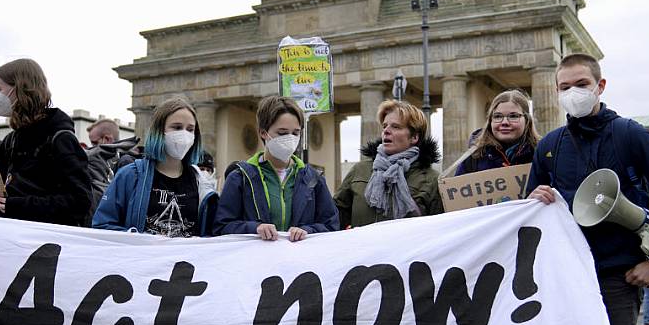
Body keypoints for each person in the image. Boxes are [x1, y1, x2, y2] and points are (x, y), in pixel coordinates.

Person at [528, 53, 649, 325]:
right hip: (568, 279)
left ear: (600, 86)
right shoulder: (550, 147)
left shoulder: (630, 135)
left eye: (581, 84)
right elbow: (529, 213)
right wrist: (533, 198)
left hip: (619, 276)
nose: (573, 93)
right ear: (555, 91)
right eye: (565, 87)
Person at [0, 58, 92, 226]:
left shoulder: (60, 138)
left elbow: (80, 201)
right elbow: (5, 200)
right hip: (11, 238)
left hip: (45, 242)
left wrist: (16, 205)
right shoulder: (10, 141)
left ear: (20, 88)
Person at [213, 95, 338, 241]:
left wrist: (307, 230)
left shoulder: (313, 179)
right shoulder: (240, 177)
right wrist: (255, 229)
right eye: (282, 133)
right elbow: (221, 227)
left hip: (301, 261)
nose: (290, 138)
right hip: (257, 261)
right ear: (263, 132)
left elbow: (331, 225)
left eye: (296, 133)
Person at [92, 98, 218, 237]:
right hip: (143, 258)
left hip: (186, 258)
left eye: (190, 129)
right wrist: (138, 239)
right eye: (176, 127)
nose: (184, 134)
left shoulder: (203, 184)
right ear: (158, 131)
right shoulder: (130, 176)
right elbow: (102, 225)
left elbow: (210, 234)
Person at [333, 100, 443, 228]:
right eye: (385, 126)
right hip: (362, 247)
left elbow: (439, 230)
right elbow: (334, 213)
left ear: (414, 137)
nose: (386, 131)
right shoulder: (360, 170)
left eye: (396, 127)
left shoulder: (431, 179)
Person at [454, 90, 539, 175]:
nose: (504, 122)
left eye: (513, 116)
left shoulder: (542, 154)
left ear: (527, 120)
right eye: (498, 116)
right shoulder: (472, 159)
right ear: (490, 121)